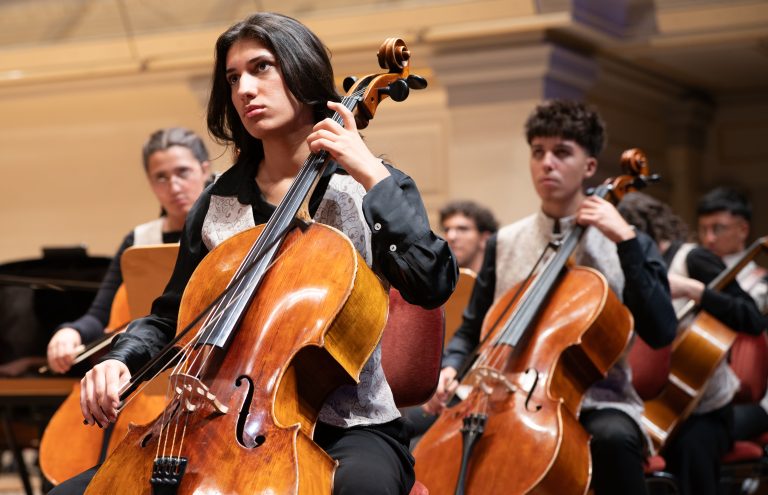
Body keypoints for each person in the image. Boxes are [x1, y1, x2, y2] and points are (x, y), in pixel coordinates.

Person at [50, 12, 456, 495]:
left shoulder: (370, 185)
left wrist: (371, 174)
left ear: (301, 72)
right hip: (218, 418)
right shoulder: (218, 201)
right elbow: (172, 319)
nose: (244, 88)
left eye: (261, 68)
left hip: (348, 425)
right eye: (233, 77)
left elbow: (431, 282)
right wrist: (120, 359)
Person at [422, 99, 678, 495]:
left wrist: (625, 241)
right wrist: (452, 365)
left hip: (599, 398)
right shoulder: (505, 241)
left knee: (613, 438)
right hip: (501, 394)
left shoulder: (628, 241)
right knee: (413, 430)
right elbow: (473, 326)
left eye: (562, 153)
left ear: (589, 166)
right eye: (538, 152)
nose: (547, 163)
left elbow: (661, 330)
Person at [618, 190, 766, 495]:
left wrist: (694, 290)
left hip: (707, 412)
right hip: (654, 407)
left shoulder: (692, 258)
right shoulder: (632, 274)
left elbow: (751, 317)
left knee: (690, 449)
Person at [45, 127, 212, 374]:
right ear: (150, 182)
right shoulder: (138, 240)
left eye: (182, 172)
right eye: (161, 177)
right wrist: (71, 331)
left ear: (205, 170)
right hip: (146, 371)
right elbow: (100, 315)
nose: (174, 186)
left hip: (208, 365)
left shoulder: (226, 231)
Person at [439, 200, 498, 275]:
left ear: (485, 239)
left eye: (462, 229)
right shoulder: (437, 283)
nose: (451, 237)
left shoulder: (501, 283)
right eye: (447, 230)